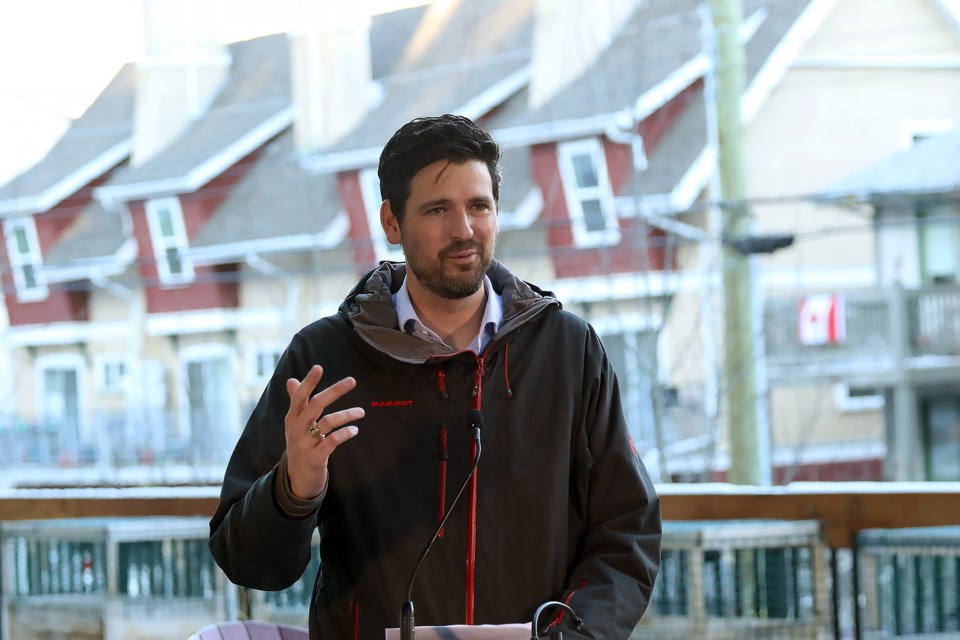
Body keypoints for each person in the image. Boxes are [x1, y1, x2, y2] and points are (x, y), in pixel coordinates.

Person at [209, 114, 661, 639]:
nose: (463, 230)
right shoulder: (325, 357)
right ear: (392, 222)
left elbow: (627, 532)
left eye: (478, 207)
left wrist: (566, 635)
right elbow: (247, 562)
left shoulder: (569, 350)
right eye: (437, 209)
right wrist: (294, 489)